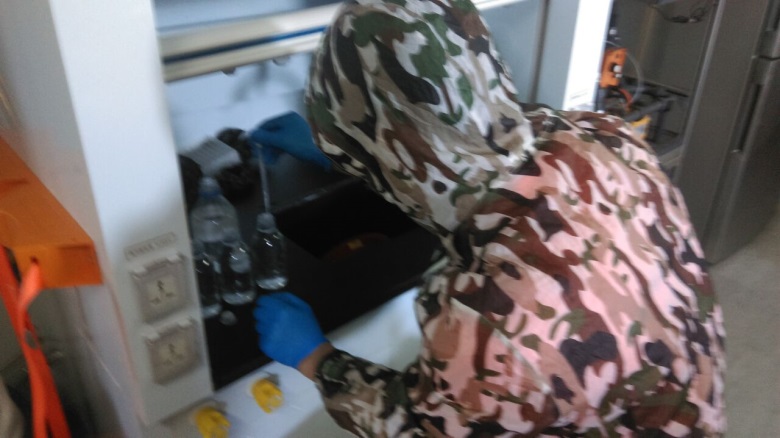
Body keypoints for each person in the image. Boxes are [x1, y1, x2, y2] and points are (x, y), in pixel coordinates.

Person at [251, 0, 726, 436]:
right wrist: (341, 156)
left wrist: (318, 360)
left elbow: (424, 429)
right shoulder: (602, 134)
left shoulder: (489, 318)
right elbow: (451, 143)